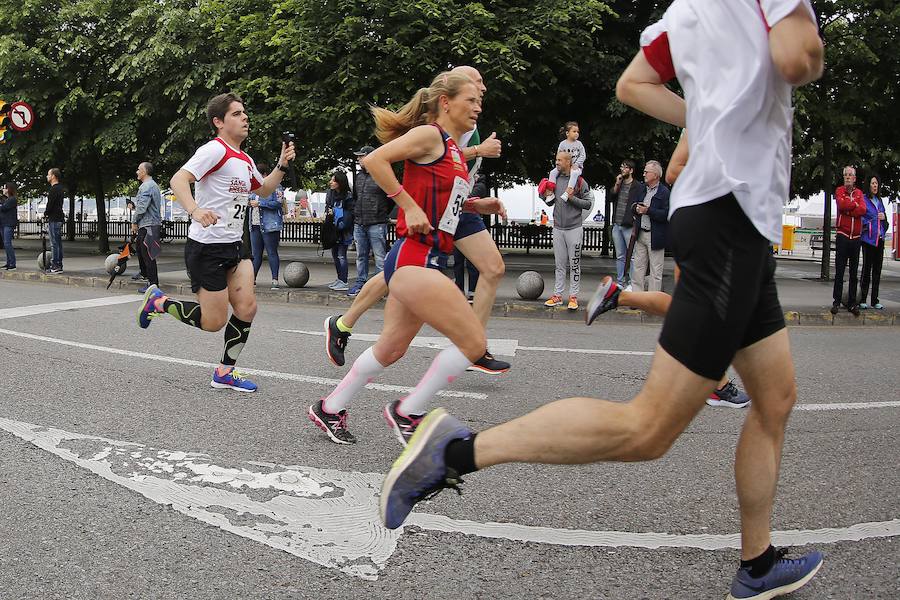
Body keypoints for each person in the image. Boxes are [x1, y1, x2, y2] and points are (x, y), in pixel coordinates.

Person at [380, 4, 825, 599]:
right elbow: (797, 57)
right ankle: (451, 452)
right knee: (648, 428)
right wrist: (809, 45)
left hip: (736, 219)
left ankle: (759, 561)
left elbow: (633, 83)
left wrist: (706, 115)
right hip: (729, 218)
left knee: (775, 397)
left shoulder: (686, 12)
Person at [308, 71, 505, 445]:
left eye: (480, 102)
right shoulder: (430, 135)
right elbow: (376, 161)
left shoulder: (452, 151)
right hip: (416, 258)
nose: (478, 107)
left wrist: (480, 204)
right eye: (471, 100)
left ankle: (330, 408)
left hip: (422, 260)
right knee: (474, 343)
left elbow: (446, 205)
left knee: (391, 349)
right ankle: (408, 412)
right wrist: (407, 205)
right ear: (446, 102)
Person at [136, 92, 295, 392]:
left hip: (236, 245)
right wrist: (195, 210)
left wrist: (281, 164)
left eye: (244, 113)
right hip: (206, 248)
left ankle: (224, 372)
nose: (245, 117)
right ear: (219, 122)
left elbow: (263, 190)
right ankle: (158, 301)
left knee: (247, 308)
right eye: (237, 114)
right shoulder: (214, 150)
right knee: (213, 322)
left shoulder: (245, 160)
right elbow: (178, 180)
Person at [540, 152, 594, 310]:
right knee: (559, 265)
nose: (556, 162)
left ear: (568, 162)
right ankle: (557, 296)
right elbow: (551, 204)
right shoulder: (554, 179)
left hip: (574, 228)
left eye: (559, 160)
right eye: (556, 159)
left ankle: (573, 297)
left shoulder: (580, 181)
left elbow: (588, 204)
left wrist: (572, 198)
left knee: (575, 264)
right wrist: (544, 196)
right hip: (558, 227)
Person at [348, 145, 390, 297]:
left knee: (379, 256)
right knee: (361, 255)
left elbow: (391, 197)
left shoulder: (382, 173)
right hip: (360, 222)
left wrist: (380, 212)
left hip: (377, 222)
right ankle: (361, 282)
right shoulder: (359, 176)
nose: (359, 159)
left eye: (361, 156)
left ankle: (380, 287)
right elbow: (355, 197)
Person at [831, 166, 866, 316]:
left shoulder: (859, 193)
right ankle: (836, 301)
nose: (847, 177)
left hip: (856, 237)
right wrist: (853, 207)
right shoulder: (839, 191)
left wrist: (851, 208)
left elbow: (863, 210)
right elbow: (841, 205)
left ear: (855, 178)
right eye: (845, 174)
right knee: (839, 270)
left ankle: (852, 303)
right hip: (843, 235)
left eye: (850, 175)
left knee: (853, 272)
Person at [632, 160, 670, 292]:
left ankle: (652, 300)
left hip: (656, 235)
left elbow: (666, 214)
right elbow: (634, 205)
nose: (644, 174)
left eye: (646, 172)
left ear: (655, 175)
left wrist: (648, 211)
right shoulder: (642, 189)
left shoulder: (664, 192)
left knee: (656, 270)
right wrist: (636, 209)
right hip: (641, 233)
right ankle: (637, 298)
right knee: (638, 268)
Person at [248, 163, 285, 289]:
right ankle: (252, 279)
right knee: (255, 254)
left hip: (270, 224)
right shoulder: (254, 187)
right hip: (255, 223)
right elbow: (248, 200)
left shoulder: (276, 185)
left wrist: (260, 203)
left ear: (264, 174)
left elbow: (278, 203)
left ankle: (275, 279)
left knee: (271, 252)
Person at [858, 174, 888, 310]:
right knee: (866, 270)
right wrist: (868, 223)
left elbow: (885, 223)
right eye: (873, 183)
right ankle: (863, 298)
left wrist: (883, 218)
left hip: (879, 240)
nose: (875, 186)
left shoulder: (880, 201)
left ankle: (875, 300)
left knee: (877, 271)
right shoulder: (864, 200)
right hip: (868, 240)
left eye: (876, 183)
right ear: (868, 185)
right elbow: (861, 219)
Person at [132, 162, 163, 293]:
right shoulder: (151, 185)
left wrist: (134, 222)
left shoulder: (147, 187)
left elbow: (142, 208)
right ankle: (145, 274)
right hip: (147, 224)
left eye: (139, 169)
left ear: (144, 172)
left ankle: (153, 284)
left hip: (149, 224)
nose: (137, 172)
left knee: (148, 254)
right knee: (140, 248)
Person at [324, 171, 354, 292]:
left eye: (334, 180)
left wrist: (341, 217)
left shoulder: (348, 196)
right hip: (333, 229)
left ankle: (344, 280)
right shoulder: (331, 194)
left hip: (344, 230)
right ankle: (339, 278)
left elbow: (351, 213)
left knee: (341, 255)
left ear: (340, 182)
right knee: (335, 255)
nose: (331, 182)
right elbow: (328, 207)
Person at [543, 121, 586, 203]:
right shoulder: (562, 144)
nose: (577, 133)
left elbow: (583, 155)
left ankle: (567, 192)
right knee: (552, 173)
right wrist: (559, 164)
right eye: (574, 131)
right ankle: (550, 192)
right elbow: (559, 155)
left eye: (578, 132)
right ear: (567, 133)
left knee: (574, 173)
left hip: (576, 167)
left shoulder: (579, 144)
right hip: (563, 167)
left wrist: (576, 164)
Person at [44, 168, 65, 273]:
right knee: (58, 243)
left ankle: (55, 265)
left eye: (48, 174)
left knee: (54, 243)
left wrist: (45, 213)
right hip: (59, 217)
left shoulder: (53, 189)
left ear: (53, 176)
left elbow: (50, 204)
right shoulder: (61, 188)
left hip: (54, 218)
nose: (47, 176)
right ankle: (59, 264)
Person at [1, 182, 18, 270]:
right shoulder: (6, 199)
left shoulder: (12, 199)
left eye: (4, 188)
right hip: (3, 223)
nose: (2, 190)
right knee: (5, 243)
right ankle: (8, 262)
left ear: (8, 189)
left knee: (7, 243)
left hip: (8, 224)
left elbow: (3, 208)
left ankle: (12, 263)